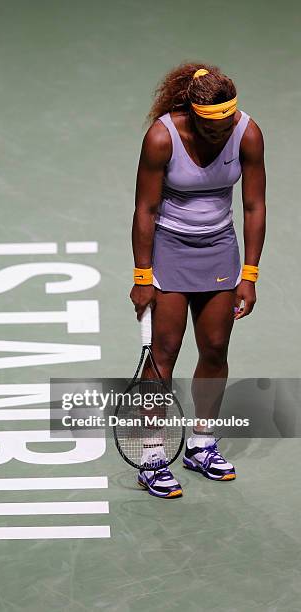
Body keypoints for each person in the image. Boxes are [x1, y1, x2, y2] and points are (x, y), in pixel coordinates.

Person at [130, 62, 266, 498]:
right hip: (170, 252)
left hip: (220, 252)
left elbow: (253, 207)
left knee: (215, 348)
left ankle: (201, 443)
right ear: (191, 112)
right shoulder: (161, 137)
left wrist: (249, 273)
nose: (221, 132)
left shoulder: (246, 133)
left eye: (227, 122)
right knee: (164, 353)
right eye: (213, 126)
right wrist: (142, 275)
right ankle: (152, 456)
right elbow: (145, 211)